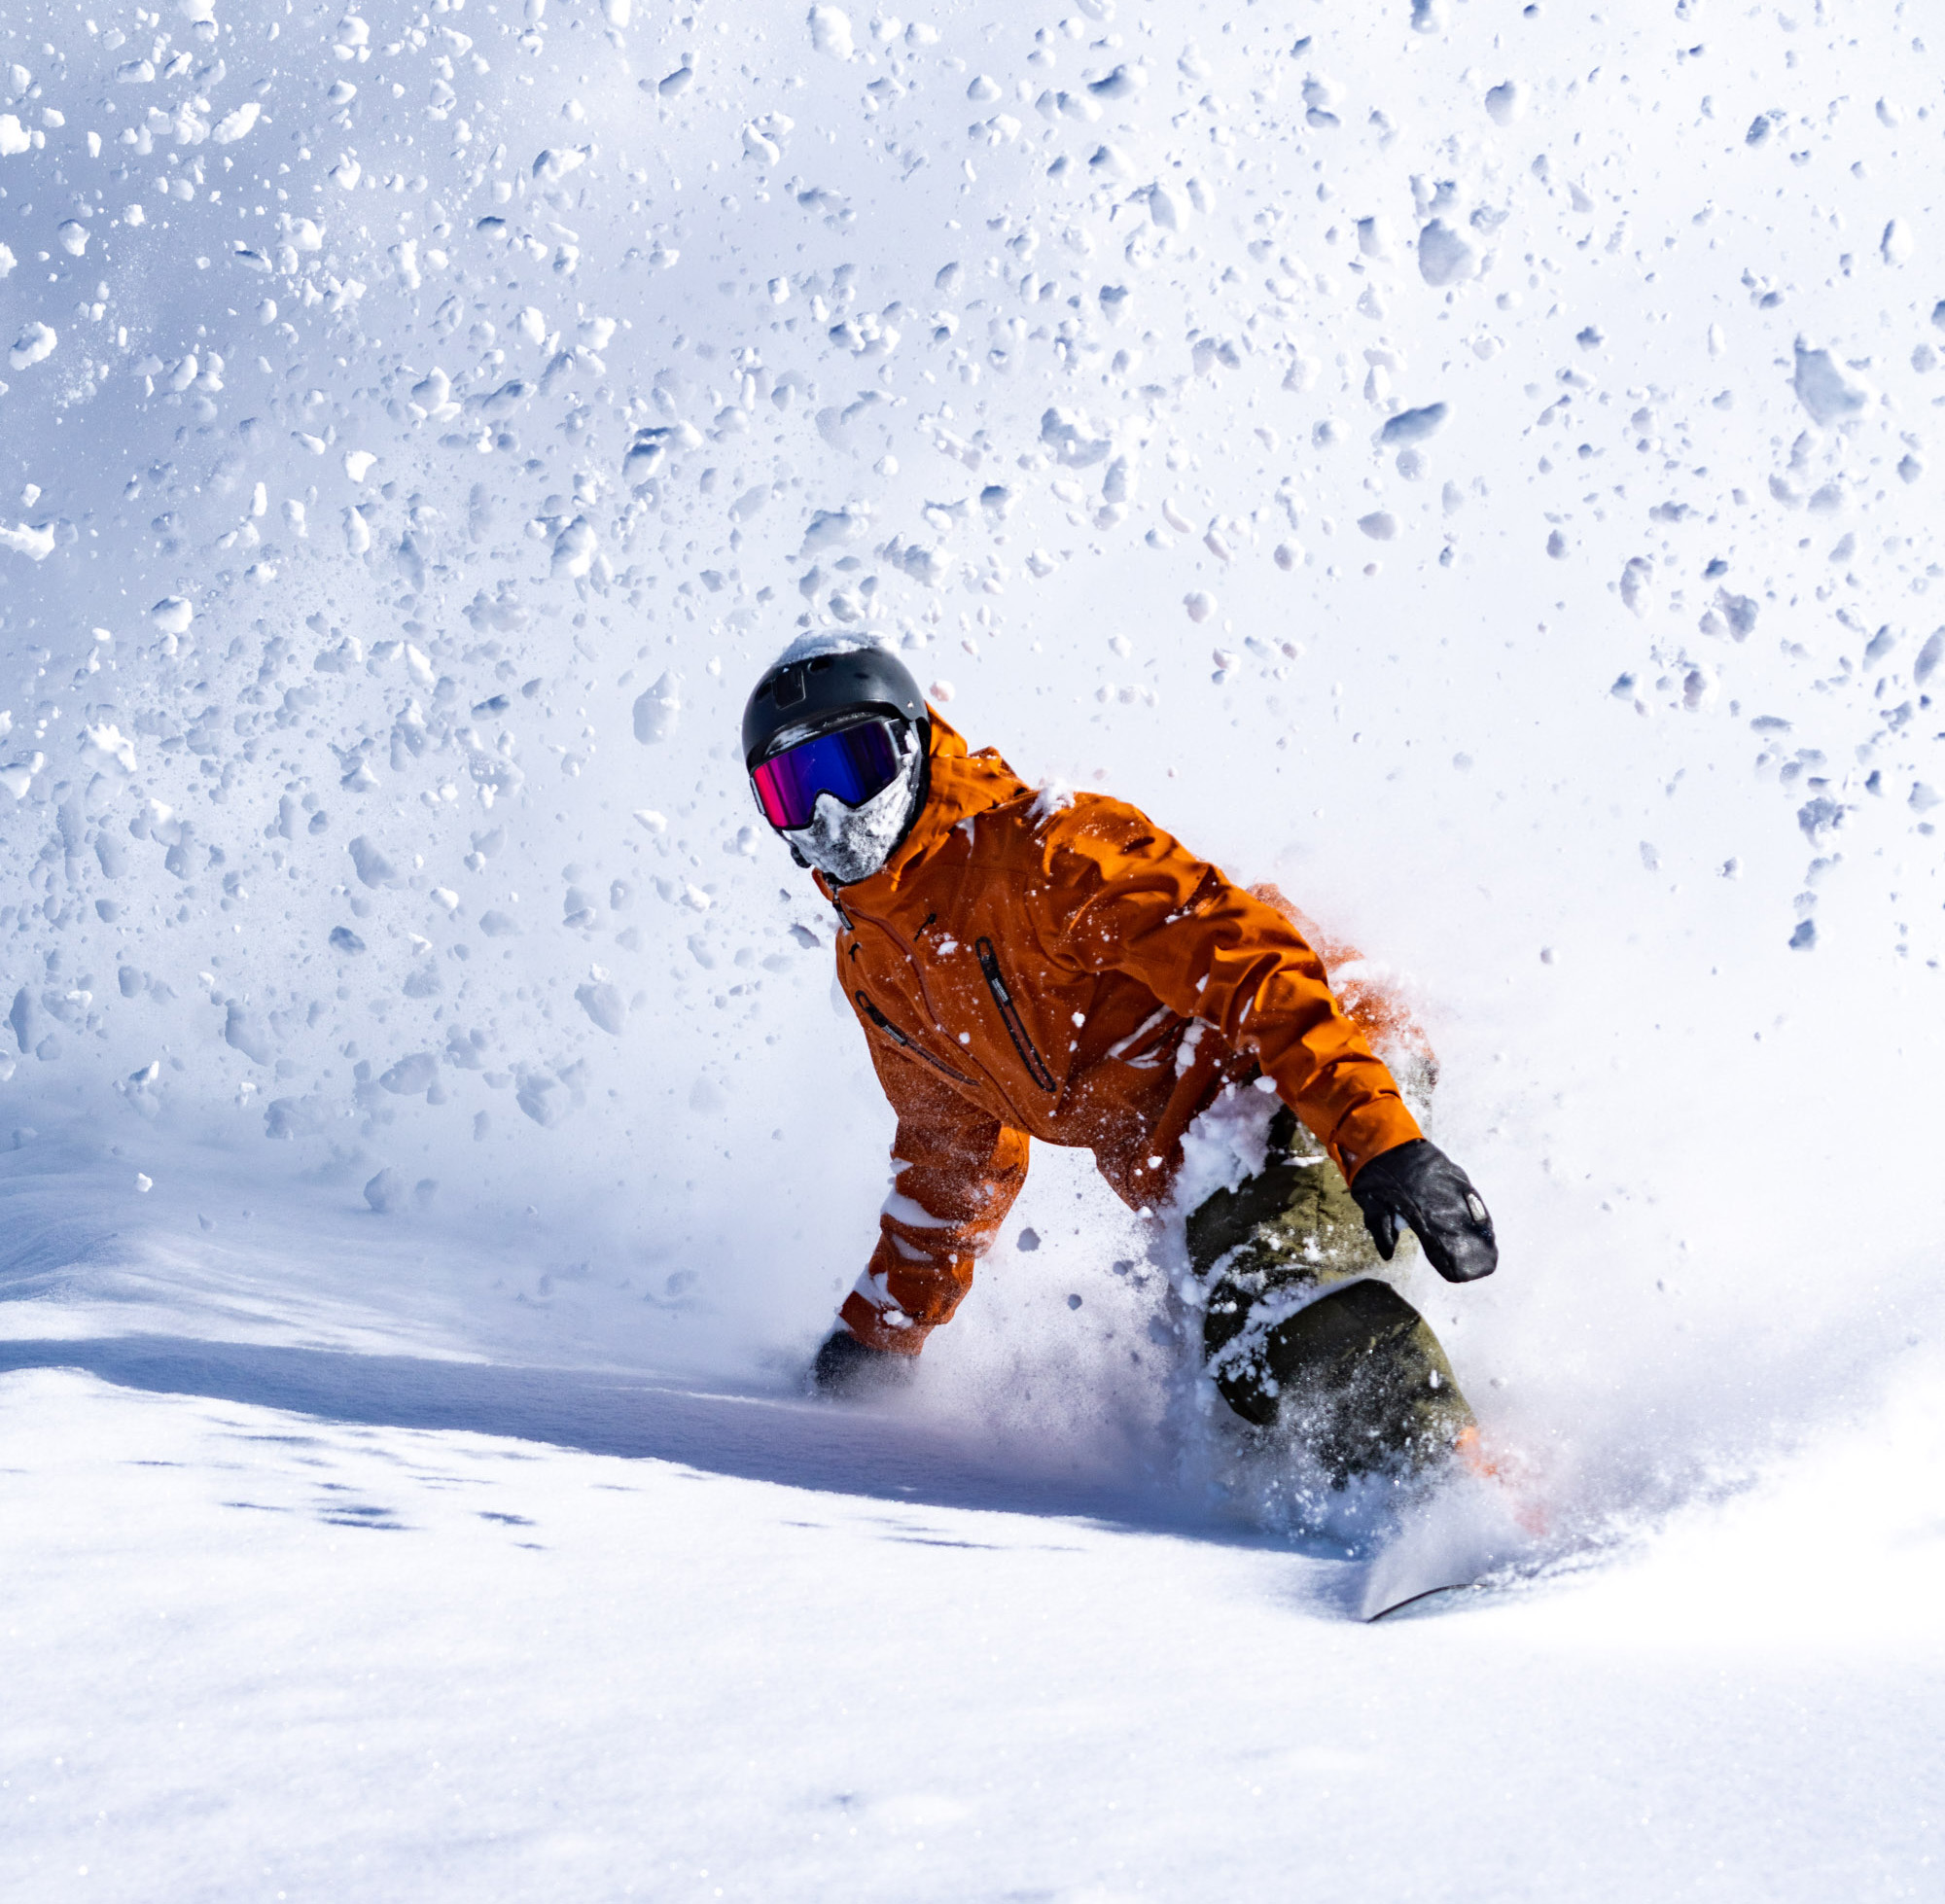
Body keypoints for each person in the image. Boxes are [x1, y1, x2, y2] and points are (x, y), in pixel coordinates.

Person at [743, 632, 1498, 1484]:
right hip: (1208, 1160)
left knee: (1263, 1292)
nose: (831, 816)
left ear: (913, 744)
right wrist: (879, 1338)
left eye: (853, 769)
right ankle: (1361, 1519)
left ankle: (1462, 1495)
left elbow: (1253, 970)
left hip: (1305, 1063)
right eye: (792, 791)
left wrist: (1381, 1138)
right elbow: (953, 1154)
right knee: (1241, 1391)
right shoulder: (878, 967)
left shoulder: (1046, 853)